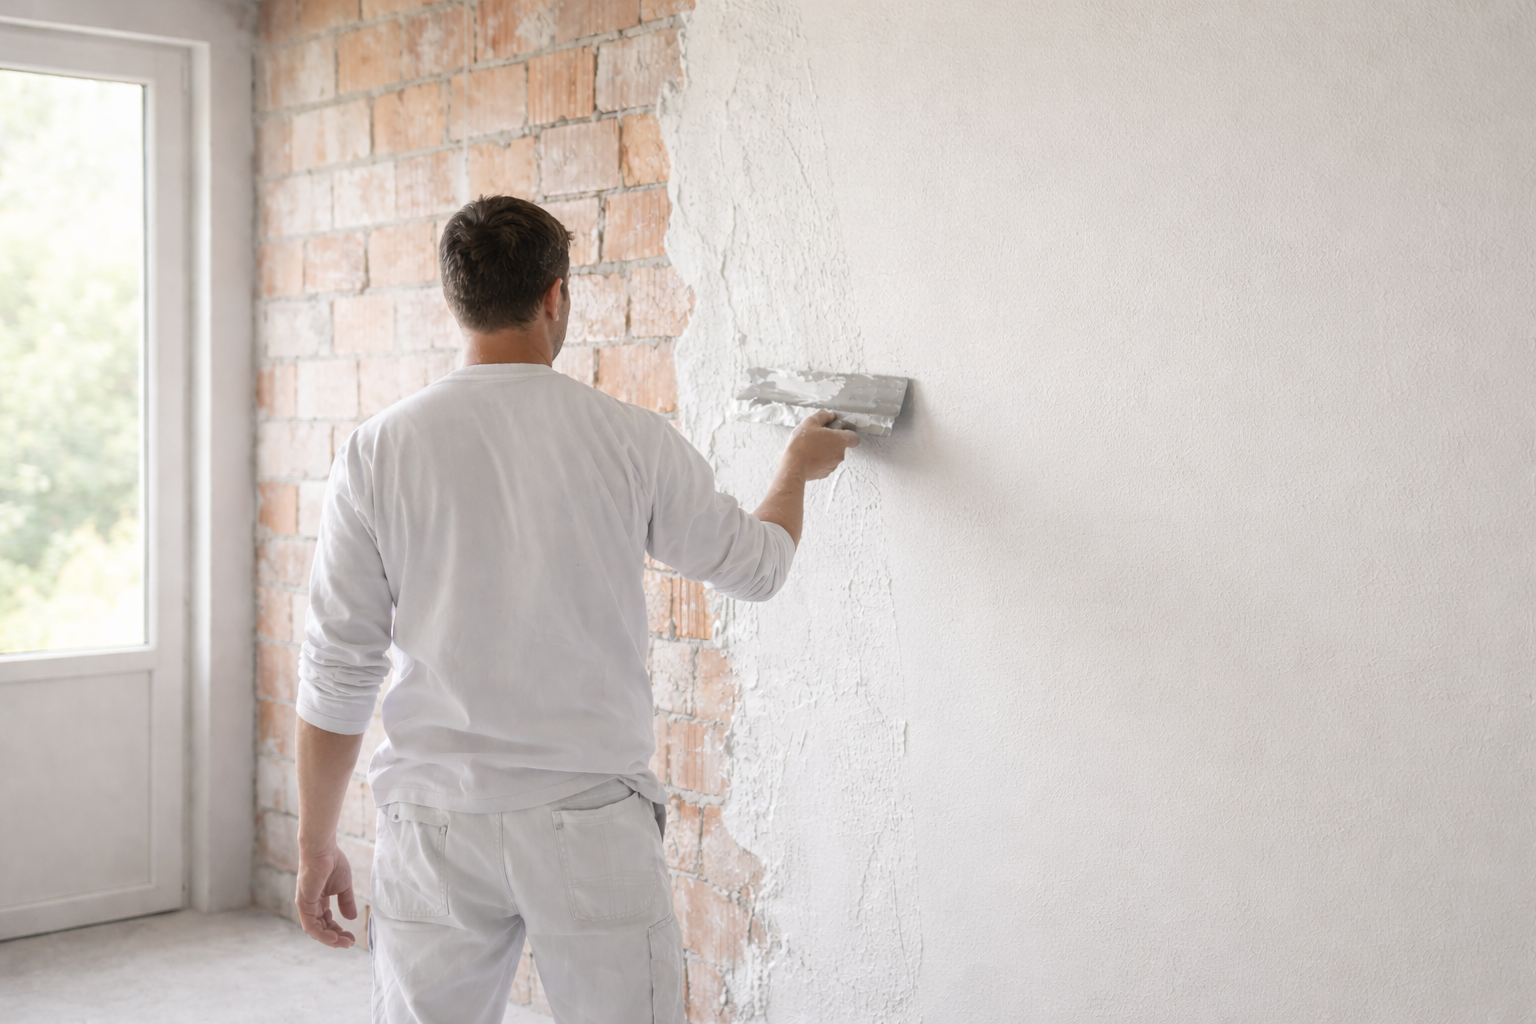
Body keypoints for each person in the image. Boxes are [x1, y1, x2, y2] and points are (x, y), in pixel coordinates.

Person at [291, 195, 858, 1023]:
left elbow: (339, 666)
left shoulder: (378, 449)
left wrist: (316, 845)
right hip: (590, 821)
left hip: (433, 819)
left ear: (456, 301)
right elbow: (758, 566)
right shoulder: (626, 437)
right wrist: (797, 469)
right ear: (555, 295)